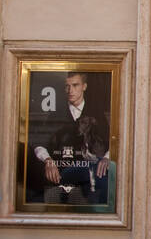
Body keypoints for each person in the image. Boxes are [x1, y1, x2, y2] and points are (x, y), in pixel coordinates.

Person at [31, 71, 113, 205]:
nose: (70, 91)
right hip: (62, 177)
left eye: (75, 85)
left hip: (91, 176)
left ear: (84, 86)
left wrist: (107, 158)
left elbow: (113, 142)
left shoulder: (97, 114)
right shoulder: (57, 114)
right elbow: (39, 143)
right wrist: (48, 160)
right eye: (67, 86)